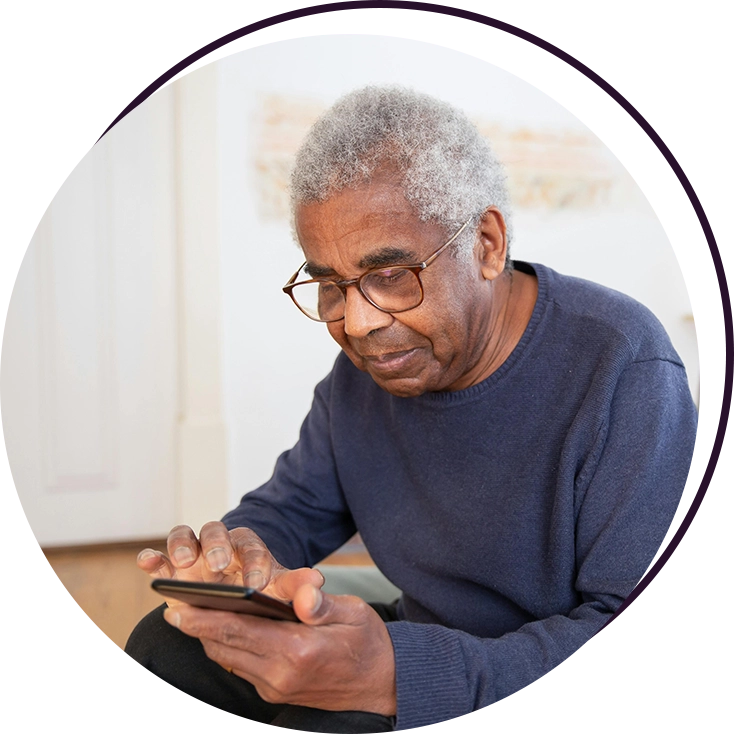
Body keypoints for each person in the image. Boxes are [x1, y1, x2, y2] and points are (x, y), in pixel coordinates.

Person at [125, 86, 698, 732]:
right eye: (331, 286)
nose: (360, 323)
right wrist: (235, 561)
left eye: (391, 275)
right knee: (163, 646)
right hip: (425, 636)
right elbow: (290, 510)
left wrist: (399, 677)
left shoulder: (622, 369)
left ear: (485, 244)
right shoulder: (366, 376)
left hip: (524, 679)